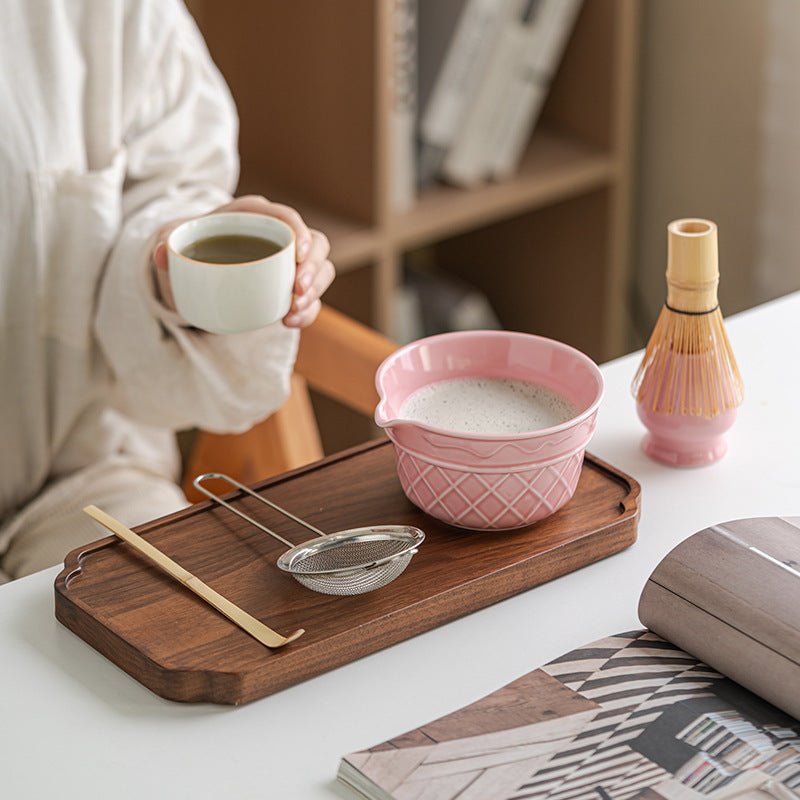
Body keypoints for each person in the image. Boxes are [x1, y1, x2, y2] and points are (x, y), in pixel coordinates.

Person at [0, 0, 335, 581]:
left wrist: (178, 265)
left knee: (183, 628)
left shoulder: (121, 13)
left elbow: (168, 192)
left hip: (81, 476)